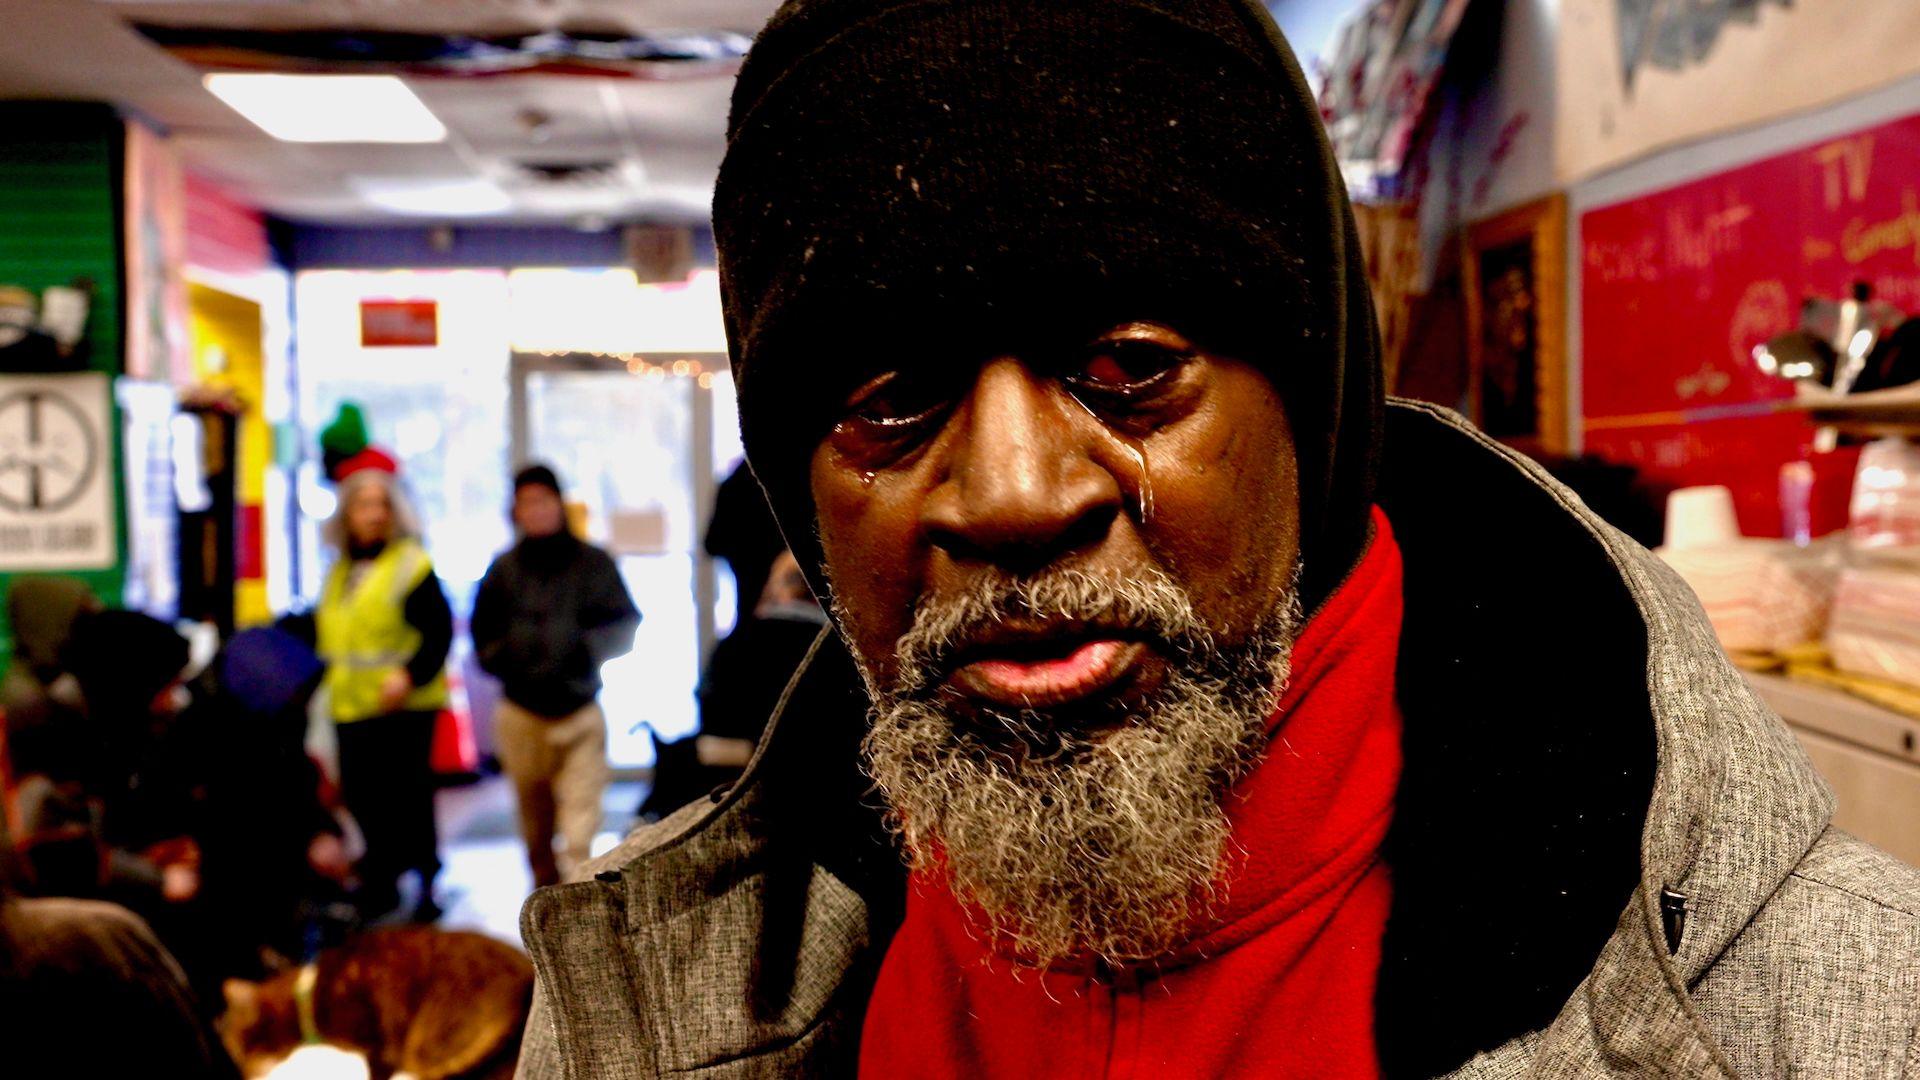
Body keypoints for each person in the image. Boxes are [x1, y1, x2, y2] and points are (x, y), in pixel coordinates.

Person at [517, 3, 1920, 1077]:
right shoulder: (641, 1011)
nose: (1011, 494)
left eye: (1129, 364)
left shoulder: (1829, 1011)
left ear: (1312, 412)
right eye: (890, 402)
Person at [471, 464, 638, 888]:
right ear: (515, 510)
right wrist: (508, 659)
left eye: (543, 500)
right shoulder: (503, 570)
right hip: (521, 716)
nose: (536, 510)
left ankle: (576, 918)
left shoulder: (594, 564)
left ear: (559, 504)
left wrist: (584, 652)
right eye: (526, 502)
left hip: (579, 712)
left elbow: (623, 623)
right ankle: (544, 914)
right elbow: (482, 634)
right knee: (536, 835)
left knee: (580, 834)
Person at [314, 459, 452, 922]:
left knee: (408, 799)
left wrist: (409, 676)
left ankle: (424, 882)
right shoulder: (338, 572)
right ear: (347, 515)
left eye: (381, 505)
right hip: (352, 706)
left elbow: (439, 633)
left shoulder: (410, 566)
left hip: (403, 707)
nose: (374, 515)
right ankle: (380, 881)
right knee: (363, 799)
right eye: (363, 505)